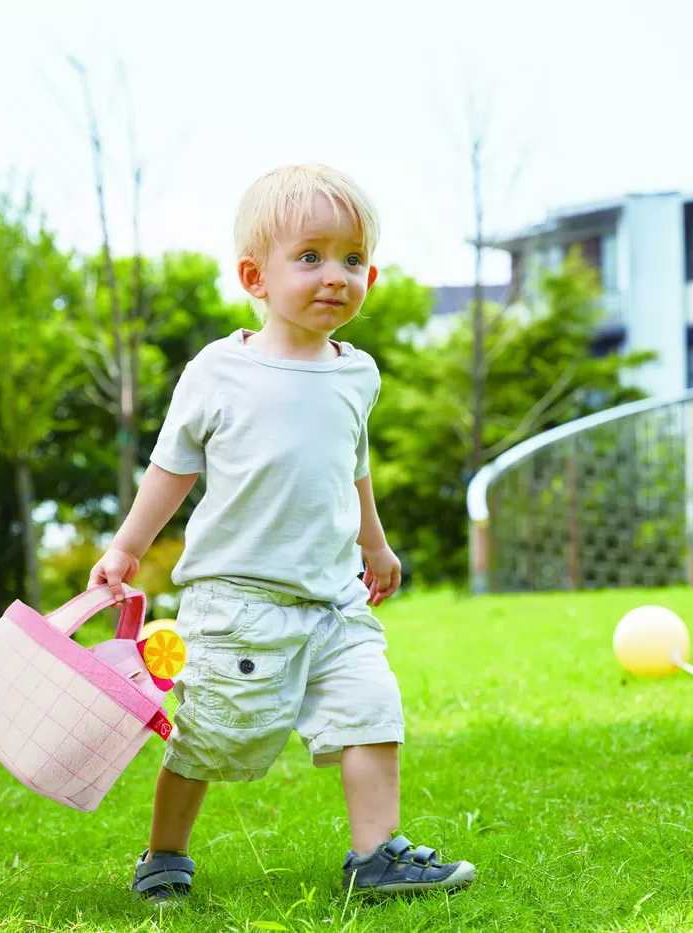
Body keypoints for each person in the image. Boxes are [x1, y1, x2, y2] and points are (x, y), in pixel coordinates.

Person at [89, 164, 475, 901]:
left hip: (334, 599)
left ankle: (376, 856)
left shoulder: (357, 373)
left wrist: (376, 543)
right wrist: (127, 547)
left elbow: (350, 466)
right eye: (310, 256)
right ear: (253, 276)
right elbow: (172, 467)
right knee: (210, 737)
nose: (336, 275)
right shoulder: (219, 371)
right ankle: (164, 854)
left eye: (353, 259)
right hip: (240, 603)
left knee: (372, 708)